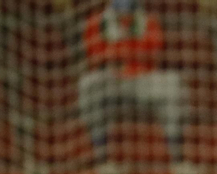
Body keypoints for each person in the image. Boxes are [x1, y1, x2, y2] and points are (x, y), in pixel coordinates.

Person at [78, 0, 184, 154]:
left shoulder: (149, 21)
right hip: (111, 81)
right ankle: (100, 150)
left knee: (173, 81)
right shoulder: (97, 22)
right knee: (87, 83)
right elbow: (93, 57)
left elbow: (154, 55)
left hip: (142, 80)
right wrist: (125, 54)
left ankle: (176, 152)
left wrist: (116, 54)